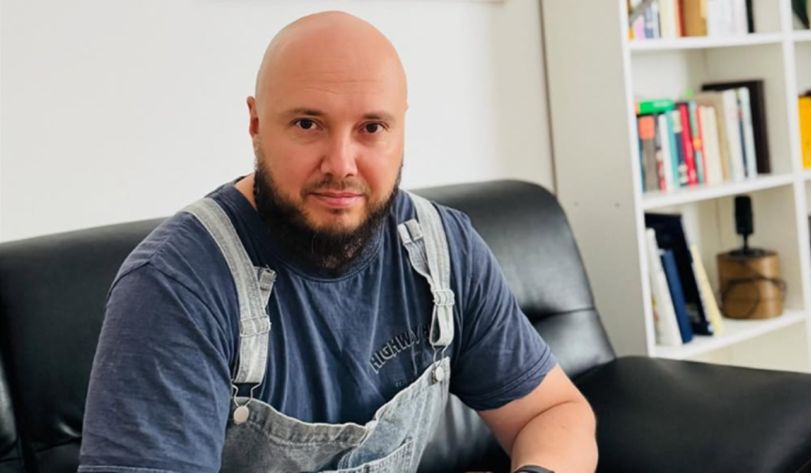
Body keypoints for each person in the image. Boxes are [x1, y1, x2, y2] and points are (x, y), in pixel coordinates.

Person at [79, 10, 597, 473]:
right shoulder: (174, 287)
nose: (341, 164)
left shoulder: (445, 251)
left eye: (371, 127)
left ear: (401, 128)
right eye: (308, 123)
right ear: (256, 124)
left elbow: (554, 412)